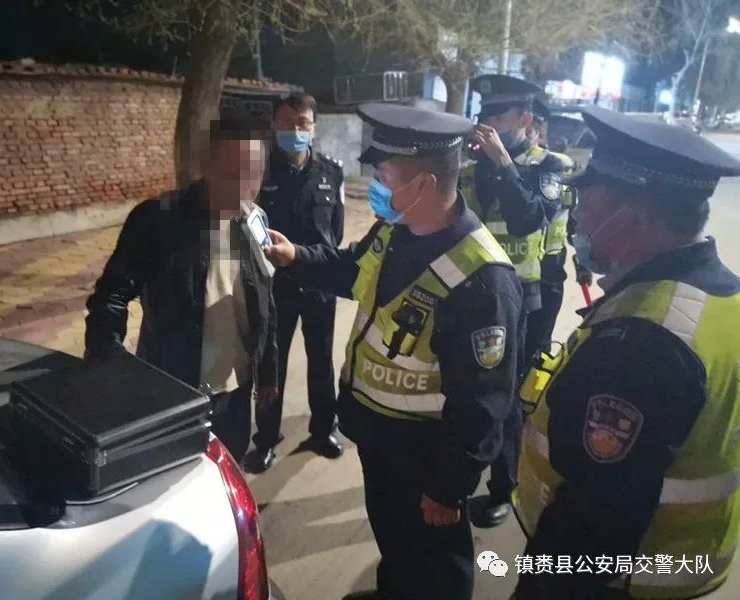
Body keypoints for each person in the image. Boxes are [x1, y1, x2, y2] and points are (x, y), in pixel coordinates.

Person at [265, 103, 522, 600]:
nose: (376, 186)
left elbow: (485, 402)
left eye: (383, 176)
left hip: (427, 456)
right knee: (398, 544)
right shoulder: (395, 228)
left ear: (424, 184)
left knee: (436, 565)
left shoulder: (482, 280)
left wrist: (449, 487)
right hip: (381, 439)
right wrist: (296, 256)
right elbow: (351, 270)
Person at [513, 106, 740, 599]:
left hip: (625, 578)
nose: (578, 219)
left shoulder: (645, 342)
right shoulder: (723, 295)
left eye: (588, 206)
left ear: (634, 217)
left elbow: (594, 520)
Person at [84, 104, 278, 462]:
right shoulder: (158, 220)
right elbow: (111, 295)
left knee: (226, 473)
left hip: (235, 394)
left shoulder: (255, 220)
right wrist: (107, 363)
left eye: (253, 174)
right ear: (207, 164)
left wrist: (268, 373)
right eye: (231, 173)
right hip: (174, 393)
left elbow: (265, 302)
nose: (243, 188)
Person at [459, 74, 565, 527]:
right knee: (470, 387)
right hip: (470, 292)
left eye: (497, 115)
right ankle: (463, 469)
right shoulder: (471, 167)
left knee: (509, 395)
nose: (488, 123)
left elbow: (527, 221)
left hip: (524, 299)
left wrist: (504, 164)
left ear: (524, 118)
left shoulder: (548, 167)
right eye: (483, 114)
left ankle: (506, 486)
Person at [244, 92, 345, 473]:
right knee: (272, 365)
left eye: (302, 123)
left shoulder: (331, 172)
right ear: (274, 125)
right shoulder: (260, 171)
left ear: (313, 127)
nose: (295, 130)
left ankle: (323, 430)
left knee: (321, 361)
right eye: (287, 123)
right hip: (276, 288)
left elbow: (335, 231)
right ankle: (267, 439)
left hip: (319, 285)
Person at [524, 99, 580, 360]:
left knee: (538, 345)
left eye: (534, 127)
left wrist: (583, 263)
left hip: (550, 268)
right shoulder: (514, 167)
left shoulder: (560, 166)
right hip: (521, 268)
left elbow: (574, 215)